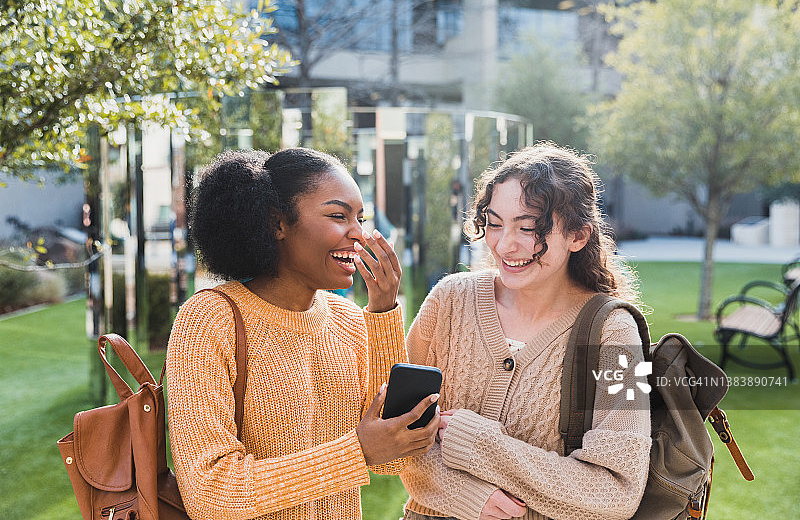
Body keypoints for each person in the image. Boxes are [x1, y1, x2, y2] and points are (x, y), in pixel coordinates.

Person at [166, 148, 440, 520]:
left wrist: (383, 312)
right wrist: (356, 452)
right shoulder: (210, 321)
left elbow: (391, 460)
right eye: (338, 216)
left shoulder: (348, 320)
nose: (358, 234)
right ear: (277, 223)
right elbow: (212, 493)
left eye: (360, 218)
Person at [400, 142, 651, 520]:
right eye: (495, 224)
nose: (505, 244)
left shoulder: (616, 334)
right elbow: (397, 429)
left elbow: (616, 491)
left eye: (529, 228)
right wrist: (466, 496)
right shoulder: (448, 300)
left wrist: (482, 446)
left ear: (578, 236)